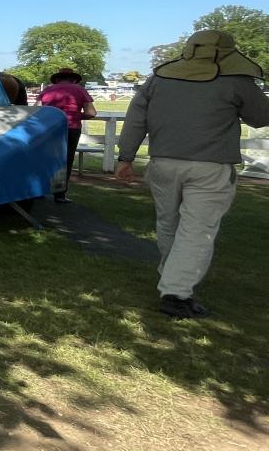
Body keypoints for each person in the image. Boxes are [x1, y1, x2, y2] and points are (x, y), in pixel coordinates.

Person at [115, 30, 269, 319]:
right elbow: (261, 117)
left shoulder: (159, 78)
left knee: (168, 223)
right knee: (197, 230)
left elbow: (137, 117)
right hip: (211, 166)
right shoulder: (236, 80)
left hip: (163, 162)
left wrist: (126, 156)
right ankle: (176, 293)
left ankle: (171, 279)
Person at [39, 68, 97, 203]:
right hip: (71, 128)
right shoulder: (80, 90)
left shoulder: (47, 90)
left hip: (50, 129)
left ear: (57, 79)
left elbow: (38, 109)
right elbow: (91, 113)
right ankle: (60, 195)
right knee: (67, 160)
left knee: (46, 158)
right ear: (73, 79)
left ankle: (40, 190)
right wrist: (76, 115)